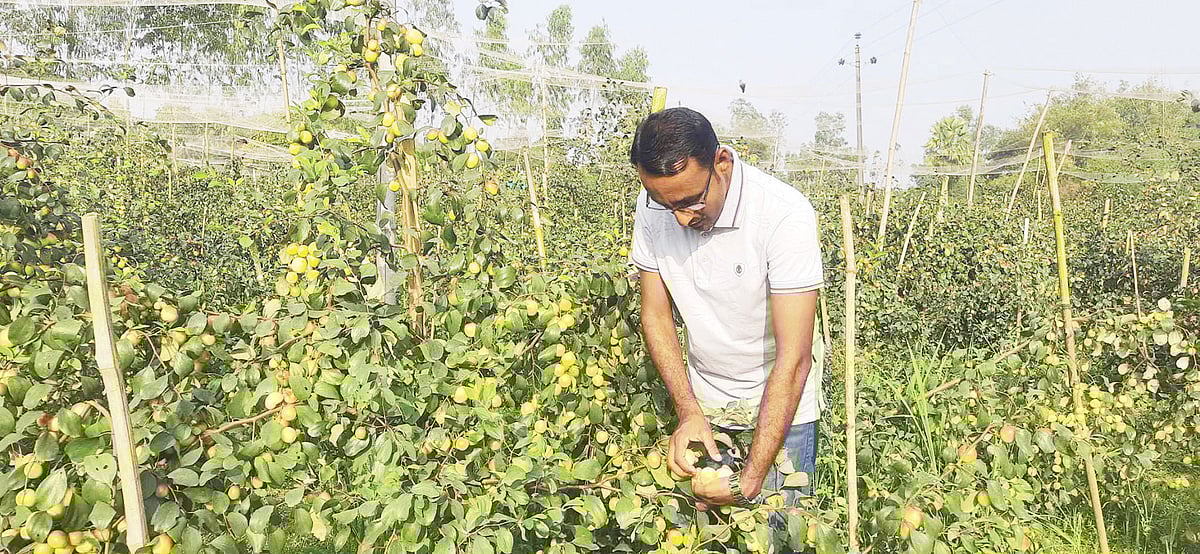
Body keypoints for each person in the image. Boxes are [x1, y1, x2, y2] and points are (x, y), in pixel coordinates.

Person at [628, 107, 825, 522]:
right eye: (666, 205)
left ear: (722, 163)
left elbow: (795, 359)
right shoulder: (654, 208)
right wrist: (689, 411)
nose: (680, 218)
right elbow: (656, 317)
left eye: (691, 201)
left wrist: (750, 479)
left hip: (782, 410)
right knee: (711, 537)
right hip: (708, 403)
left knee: (776, 534)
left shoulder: (783, 214)